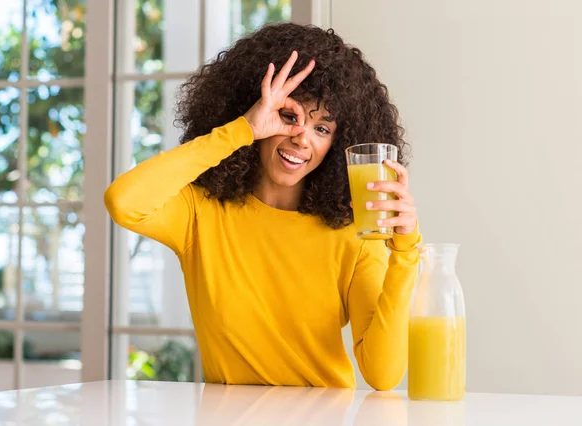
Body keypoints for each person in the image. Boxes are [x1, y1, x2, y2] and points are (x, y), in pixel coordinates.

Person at [104, 23, 421, 390]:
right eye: (290, 117)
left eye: (322, 128)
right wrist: (241, 130)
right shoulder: (201, 214)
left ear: (338, 144)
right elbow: (123, 201)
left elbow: (382, 375)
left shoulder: (354, 236)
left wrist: (406, 250)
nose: (302, 138)